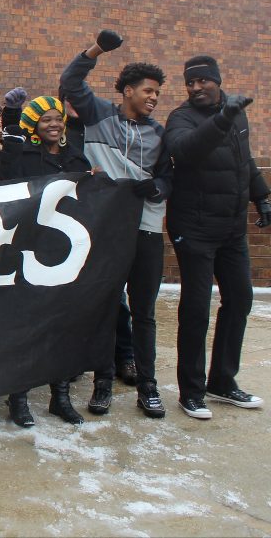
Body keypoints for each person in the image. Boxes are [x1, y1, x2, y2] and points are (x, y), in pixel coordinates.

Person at [60, 29, 172, 419]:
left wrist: (157, 185)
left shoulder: (162, 132)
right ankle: (102, 384)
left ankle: (149, 387)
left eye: (158, 92)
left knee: (144, 312)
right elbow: (70, 83)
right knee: (106, 308)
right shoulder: (98, 114)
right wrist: (96, 49)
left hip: (147, 231)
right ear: (127, 91)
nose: (154, 97)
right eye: (147, 90)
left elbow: (171, 175)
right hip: (105, 231)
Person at [163, 55, 269, 419]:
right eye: (189, 84)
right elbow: (186, 150)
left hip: (231, 229)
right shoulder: (181, 118)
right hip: (193, 229)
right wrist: (222, 119)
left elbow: (245, 161)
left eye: (202, 82)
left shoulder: (237, 113)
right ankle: (190, 392)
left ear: (217, 81)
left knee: (239, 300)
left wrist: (262, 195)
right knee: (196, 309)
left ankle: (222, 380)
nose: (195, 89)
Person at [0, 95, 93, 426]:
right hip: (30, 250)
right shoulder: (23, 155)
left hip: (66, 253)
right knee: (26, 326)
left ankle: (60, 397)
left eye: (57, 118)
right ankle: (18, 398)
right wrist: (11, 124)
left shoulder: (76, 156)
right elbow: (7, 181)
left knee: (62, 327)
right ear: (34, 124)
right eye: (45, 119)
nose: (53, 124)